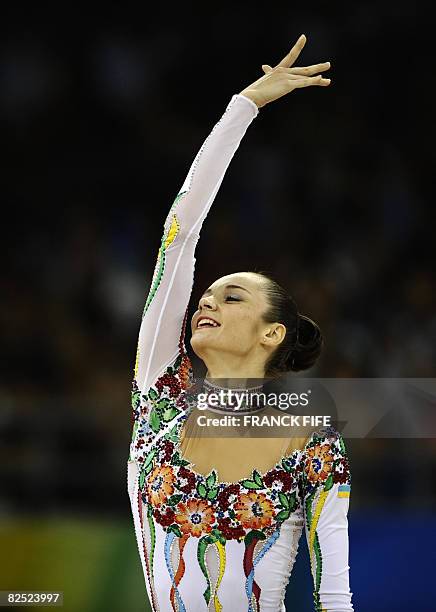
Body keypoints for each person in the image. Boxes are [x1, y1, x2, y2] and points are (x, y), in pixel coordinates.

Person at [127, 34, 354, 611]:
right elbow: (178, 238)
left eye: (230, 299)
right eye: (206, 296)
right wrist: (243, 107)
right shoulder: (161, 392)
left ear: (271, 333)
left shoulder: (312, 443)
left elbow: (334, 595)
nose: (205, 303)